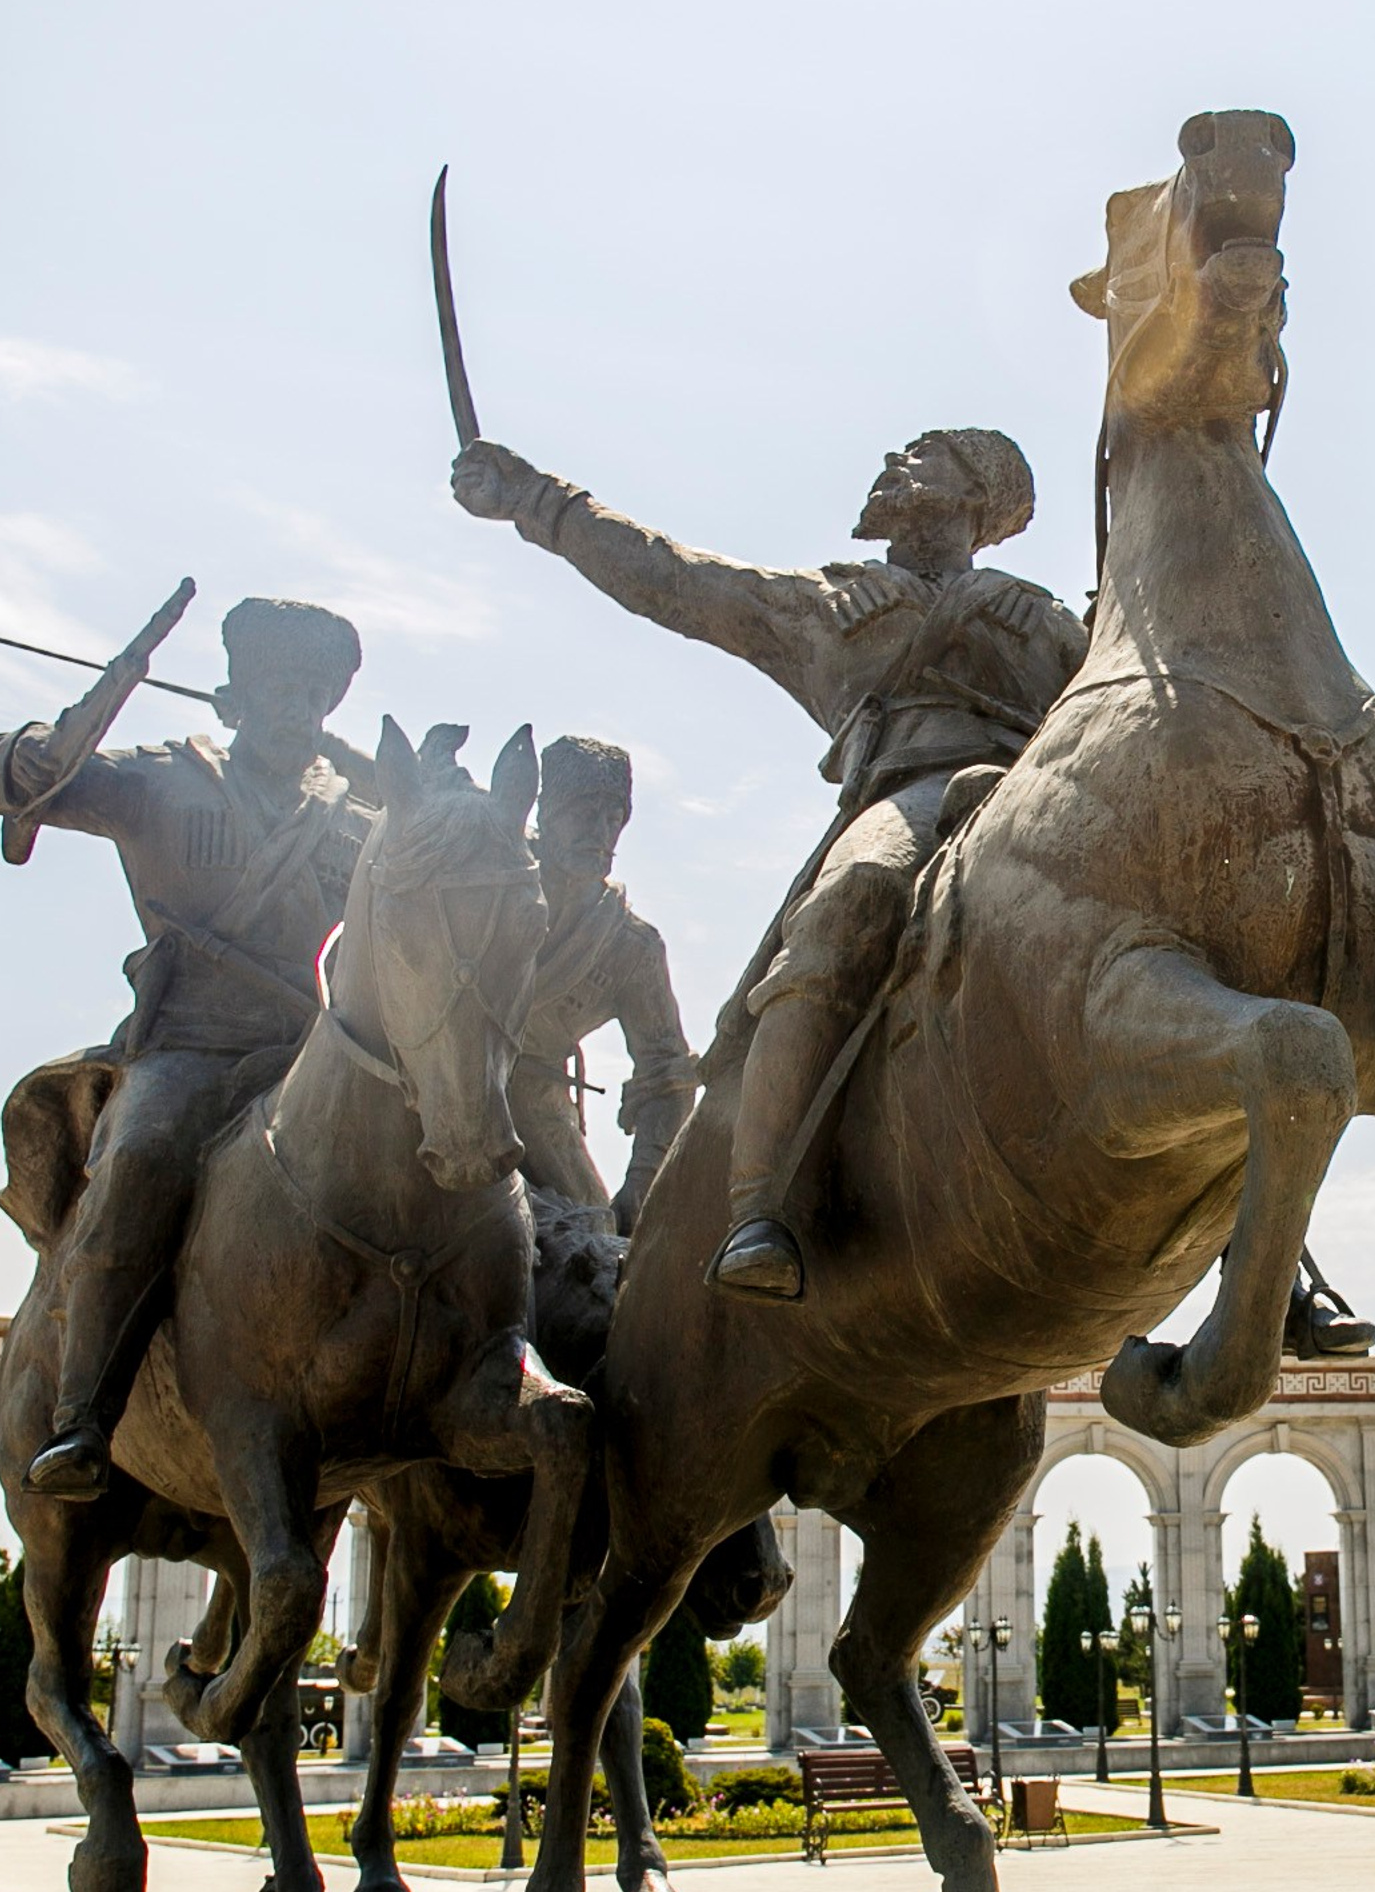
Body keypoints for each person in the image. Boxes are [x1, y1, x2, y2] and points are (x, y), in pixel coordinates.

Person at [451, 428, 1086, 1302]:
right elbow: (670, 578)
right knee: (851, 896)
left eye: (925, 455)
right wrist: (535, 499)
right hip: (908, 793)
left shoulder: (1045, 620)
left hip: (1036, 800)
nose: (894, 463)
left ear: (979, 492)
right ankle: (761, 1207)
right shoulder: (823, 606)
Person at [2, 595, 371, 1495]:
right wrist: (32, 750)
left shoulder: (359, 821)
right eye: (278, 685)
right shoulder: (163, 780)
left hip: (314, 1061)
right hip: (193, 1049)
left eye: (314, 691)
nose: (296, 705)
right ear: (234, 694)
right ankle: (83, 1415)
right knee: (143, 1157)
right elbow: (35, 781)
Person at [514, 736, 693, 1235]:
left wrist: (642, 1182)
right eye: (583, 812)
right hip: (435, 1080)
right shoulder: (488, 877)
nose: (599, 832)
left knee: (595, 1242)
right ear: (546, 812)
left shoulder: (631, 947)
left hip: (537, 1113)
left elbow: (667, 1074)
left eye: (612, 819)